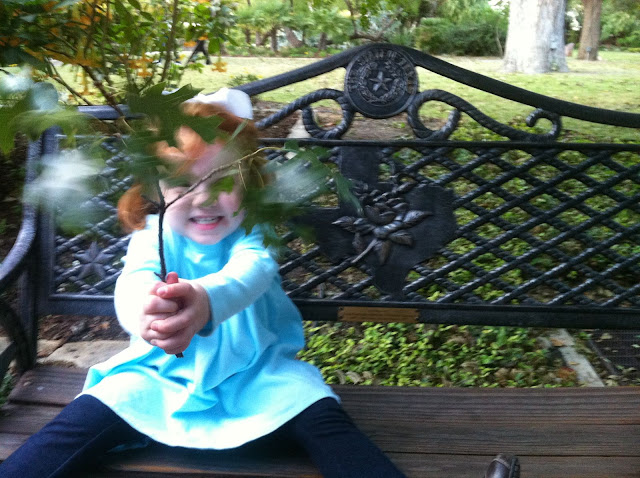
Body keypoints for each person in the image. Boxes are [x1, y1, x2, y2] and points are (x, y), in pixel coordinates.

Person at [0, 88, 406, 478]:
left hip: (258, 375)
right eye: (184, 183)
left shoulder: (255, 233)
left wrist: (204, 300)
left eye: (223, 180)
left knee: (320, 414)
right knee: (89, 414)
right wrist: (145, 312)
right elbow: (135, 280)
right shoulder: (153, 236)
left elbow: (251, 271)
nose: (205, 198)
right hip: (158, 376)